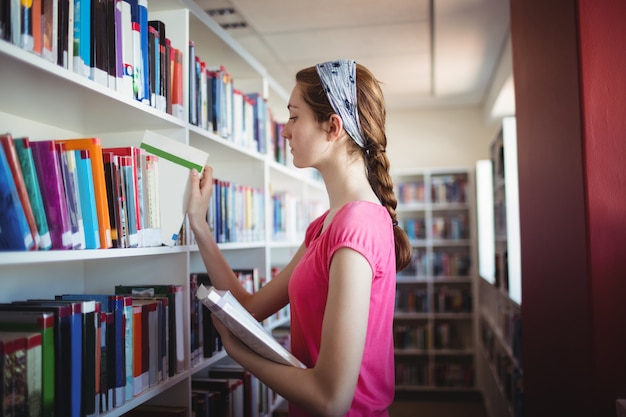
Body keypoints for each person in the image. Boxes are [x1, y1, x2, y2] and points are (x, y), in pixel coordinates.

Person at [187, 59, 411, 417]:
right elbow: (251, 307)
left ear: (333, 127)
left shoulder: (358, 226)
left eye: (294, 116)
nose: (285, 131)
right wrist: (199, 223)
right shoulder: (325, 225)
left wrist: (239, 352)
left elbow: (330, 399)